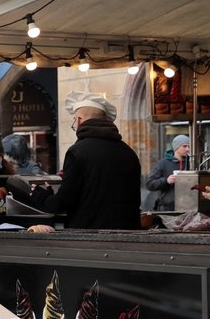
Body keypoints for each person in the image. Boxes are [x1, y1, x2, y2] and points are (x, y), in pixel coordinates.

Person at [28, 91, 141, 229]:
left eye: (74, 120)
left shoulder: (77, 152)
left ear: (79, 120)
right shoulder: (129, 152)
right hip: (129, 236)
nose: (75, 126)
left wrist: (43, 196)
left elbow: (64, 201)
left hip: (89, 237)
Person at [145, 135, 190, 211]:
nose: (187, 149)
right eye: (184, 146)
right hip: (168, 208)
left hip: (189, 207)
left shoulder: (192, 163)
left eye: (189, 146)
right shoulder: (163, 163)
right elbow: (149, 184)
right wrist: (166, 180)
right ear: (176, 147)